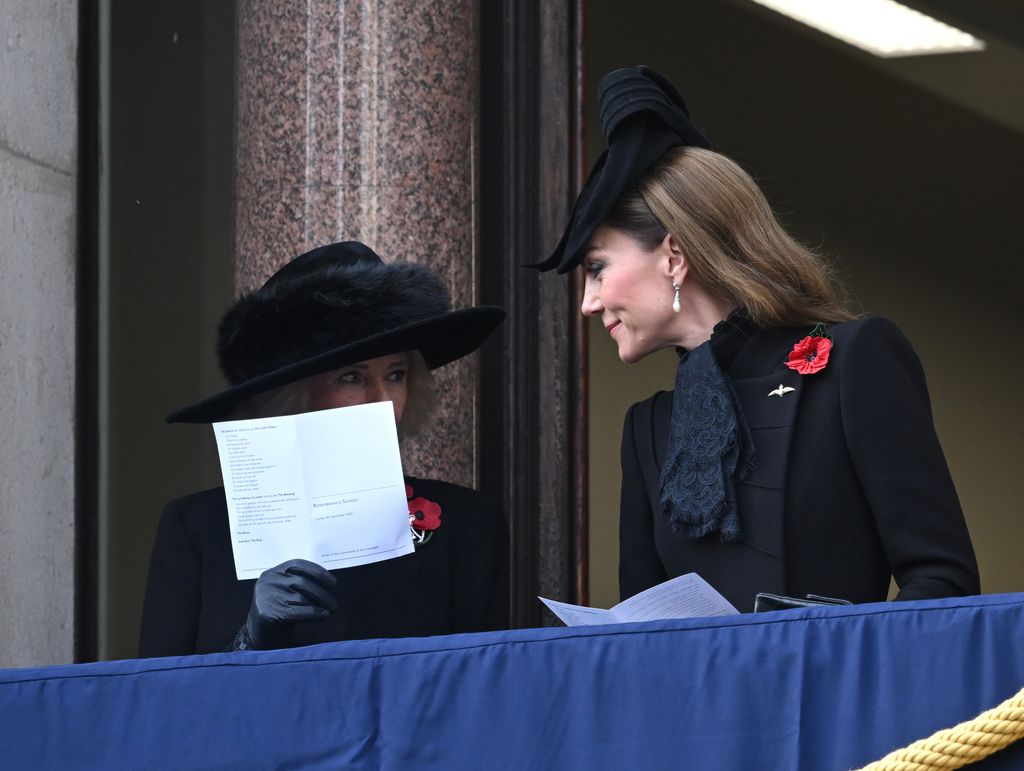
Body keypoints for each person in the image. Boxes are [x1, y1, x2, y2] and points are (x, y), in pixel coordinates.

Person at [534, 66, 979, 612]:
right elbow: (642, 632)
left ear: (674, 256)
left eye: (598, 268)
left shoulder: (854, 359)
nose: (589, 302)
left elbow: (942, 582)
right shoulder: (647, 430)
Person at [139, 241, 508, 656]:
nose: (382, 398)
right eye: (351, 377)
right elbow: (159, 702)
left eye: (396, 373)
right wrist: (252, 635)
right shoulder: (197, 529)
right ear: (291, 397)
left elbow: (483, 687)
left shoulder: (466, 523)